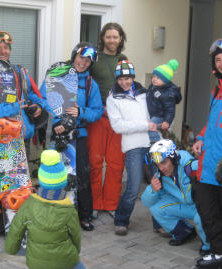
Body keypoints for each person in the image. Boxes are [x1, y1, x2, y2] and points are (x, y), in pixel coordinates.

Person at [0, 30, 46, 247]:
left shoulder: (19, 74)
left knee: (15, 188)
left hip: (18, 137)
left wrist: (38, 108)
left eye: (7, 47)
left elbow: (33, 97)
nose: (3, 51)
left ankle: (7, 225)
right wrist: (10, 108)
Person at [40, 42, 103, 231]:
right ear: (74, 55)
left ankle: (83, 215)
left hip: (79, 134)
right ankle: (52, 213)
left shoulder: (91, 84)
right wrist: (58, 120)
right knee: (55, 173)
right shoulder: (58, 74)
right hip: (56, 133)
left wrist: (80, 111)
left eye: (88, 60)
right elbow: (43, 99)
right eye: (81, 57)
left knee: (82, 175)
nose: (83, 63)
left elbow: (97, 111)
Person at [5, 150, 85, 269]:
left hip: (36, 264)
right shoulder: (69, 209)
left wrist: (11, 249)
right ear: (63, 182)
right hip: (66, 261)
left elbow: (15, 230)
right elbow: (76, 235)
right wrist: (76, 251)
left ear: (41, 180)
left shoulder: (28, 205)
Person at [106, 59, 157, 235]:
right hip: (133, 146)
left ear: (133, 77)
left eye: (128, 78)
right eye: (121, 79)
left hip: (153, 143)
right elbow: (118, 126)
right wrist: (145, 125)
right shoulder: (113, 97)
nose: (124, 82)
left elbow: (155, 114)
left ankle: (161, 224)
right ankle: (121, 220)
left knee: (159, 183)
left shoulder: (144, 92)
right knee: (134, 187)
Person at [141, 139, 210, 256]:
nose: (161, 168)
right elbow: (146, 202)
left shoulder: (190, 166)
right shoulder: (161, 176)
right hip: (186, 207)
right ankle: (185, 233)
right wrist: (152, 189)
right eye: (157, 165)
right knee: (156, 208)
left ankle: (209, 246)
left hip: (201, 205)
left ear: (173, 158)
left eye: (163, 162)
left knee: (200, 218)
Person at [87, 22, 127, 219]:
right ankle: (95, 203)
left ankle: (111, 204)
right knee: (94, 161)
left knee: (116, 163)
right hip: (98, 116)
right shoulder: (94, 58)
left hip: (118, 117)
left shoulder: (123, 59)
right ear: (102, 38)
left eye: (116, 37)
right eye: (108, 36)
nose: (112, 40)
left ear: (121, 39)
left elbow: (129, 86)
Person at [192, 39, 222, 268]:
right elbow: (211, 123)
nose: (221, 63)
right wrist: (200, 139)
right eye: (218, 60)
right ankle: (217, 250)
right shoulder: (216, 91)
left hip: (220, 164)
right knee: (205, 205)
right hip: (209, 162)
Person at [146, 59, 182, 143]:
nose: (154, 79)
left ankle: (159, 143)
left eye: (158, 78)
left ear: (165, 80)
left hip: (160, 116)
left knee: (150, 129)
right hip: (152, 114)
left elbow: (170, 110)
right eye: (153, 76)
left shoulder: (168, 94)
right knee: (149, 128)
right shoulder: (153, 87)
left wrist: (167, 121)